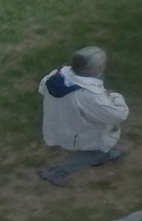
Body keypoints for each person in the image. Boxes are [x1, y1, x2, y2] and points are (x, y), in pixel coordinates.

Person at [37, 45, 128, 186]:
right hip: (80, 130)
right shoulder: (89, 95)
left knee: (96, 145)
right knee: (96, 147)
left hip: (60, 120)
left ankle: (103, 155)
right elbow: (117, 115)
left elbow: (43, 89)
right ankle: (57, 172)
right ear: (96, 68)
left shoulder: (57, 74)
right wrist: (115, 97)